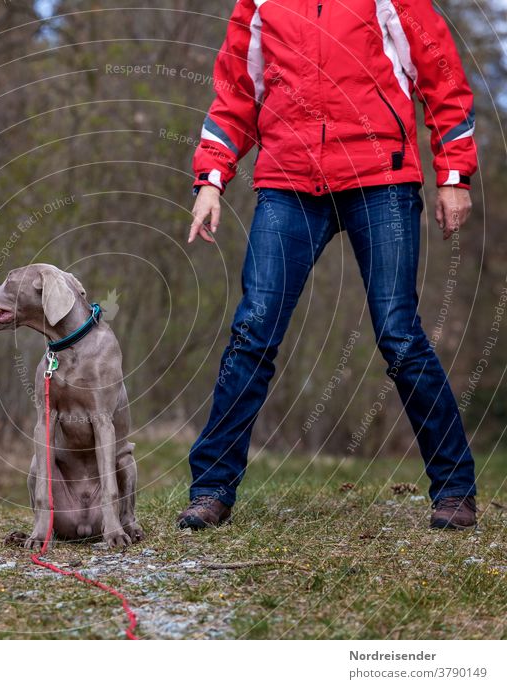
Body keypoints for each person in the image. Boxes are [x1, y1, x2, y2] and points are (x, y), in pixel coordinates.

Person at [179, 0, 478, 531]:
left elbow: (441, 76)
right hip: (288, 184)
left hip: (380, 180)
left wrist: (453, 175)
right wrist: (210, 180)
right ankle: (210, 490)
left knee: (399, 335)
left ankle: (454, 488)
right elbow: (234, 95)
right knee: (253, 331)